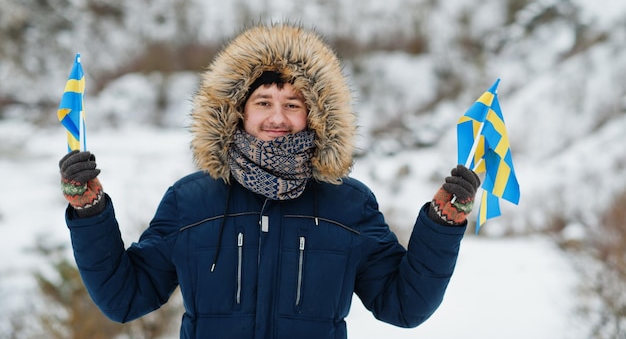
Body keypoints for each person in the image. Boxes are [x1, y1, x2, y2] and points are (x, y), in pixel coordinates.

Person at [59, 23, 480, 339]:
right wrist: (90, 212)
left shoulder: (348, 205)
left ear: (314, 115)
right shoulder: (191, 201)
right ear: (237, 111)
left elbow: (403, 305)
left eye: (292, 104)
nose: (277, 118)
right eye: (263, 102)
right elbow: (125, 298)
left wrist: (442, 225)